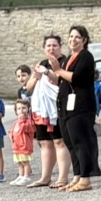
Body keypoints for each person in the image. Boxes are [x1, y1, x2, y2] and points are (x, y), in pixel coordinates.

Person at [52, 25, 99, 193]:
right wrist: (48, 72)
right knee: (71, 142)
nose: (73, 40)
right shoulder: (68, 59)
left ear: (84, 40)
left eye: (77, 37)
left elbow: (76, 78)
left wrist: (58, 70)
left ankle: (85, 178)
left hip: (80, 106)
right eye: (71, 36)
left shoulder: (86, 56)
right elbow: (61, 80)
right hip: (66, 107)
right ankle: (77, 175)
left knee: (81, 141)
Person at [28, 57, 64, 188]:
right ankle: (45, 177)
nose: (51, 48)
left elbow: (61, 82)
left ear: (60, 47)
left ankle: (62, 178)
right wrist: (36, 76)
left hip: (56, 108)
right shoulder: (42, 63)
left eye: (54, 46)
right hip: (42, 109)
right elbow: (29, 87)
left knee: (59, 142)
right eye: (48, 46)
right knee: (44, 142)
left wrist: (47, 73)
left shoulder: (64, 62)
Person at [9, 67, 35, 185]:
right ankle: (23, 174)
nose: (21, 78)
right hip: (23, 120)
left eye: (23, 75)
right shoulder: (20, 91)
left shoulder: (34, 87)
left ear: (30, 75)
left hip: (33, 118)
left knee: (38, 144)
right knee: (20, 157)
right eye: (18, 76)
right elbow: (20, 104)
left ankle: (27, 174)